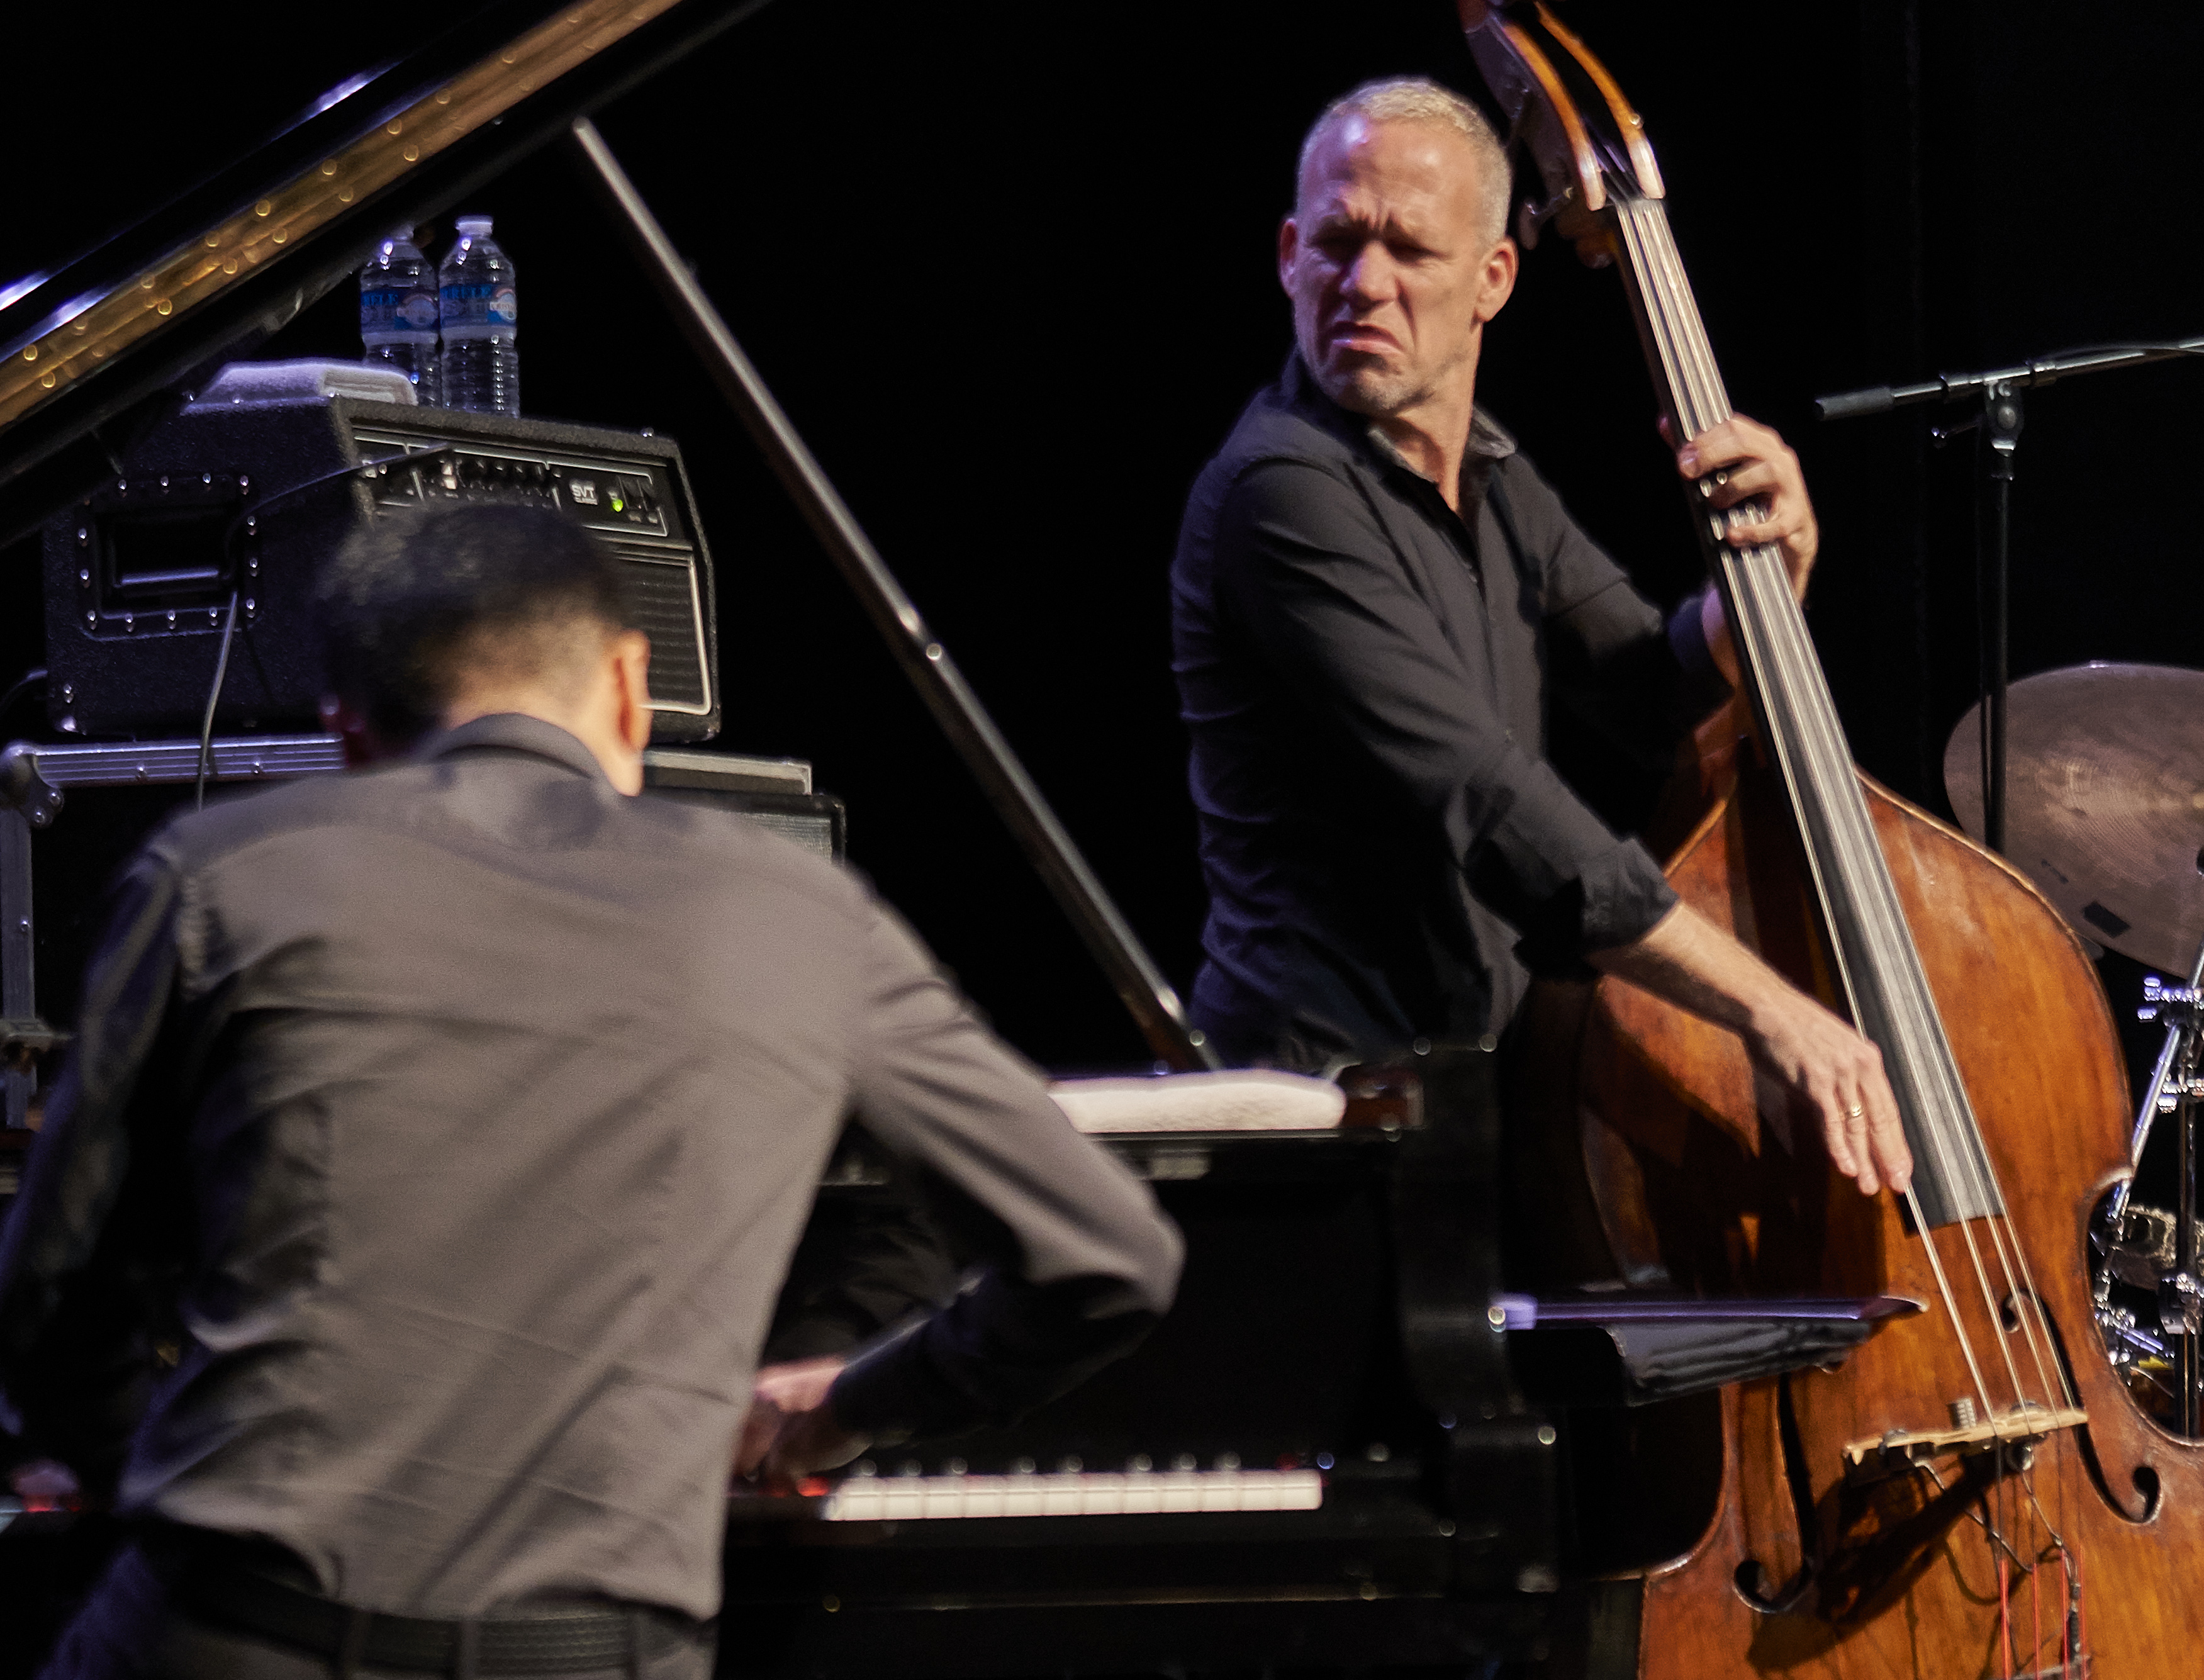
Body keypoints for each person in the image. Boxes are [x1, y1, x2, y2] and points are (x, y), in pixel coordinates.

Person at [0, 503, 1185, 1679]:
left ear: (347, 736)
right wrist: (845, 1402)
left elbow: (53, 1285)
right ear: (631, 686)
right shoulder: (804, 916)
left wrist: (129, 1470)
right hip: (590, 1656)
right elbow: (1108, 1253)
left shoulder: (216, 874)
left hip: (233, 1631)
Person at [1171, 76, 1908, 1197]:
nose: (1362, 283)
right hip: (1311, 1120)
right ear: (1286, 254)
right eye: (1334, 242)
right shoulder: (1280, 493)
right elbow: (1495, 806)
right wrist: (1769, 1007)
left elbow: (1648, 686)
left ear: (1492, 280)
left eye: (1408, 251)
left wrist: (1771, 576)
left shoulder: (1497, 480)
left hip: (1461, 1106)